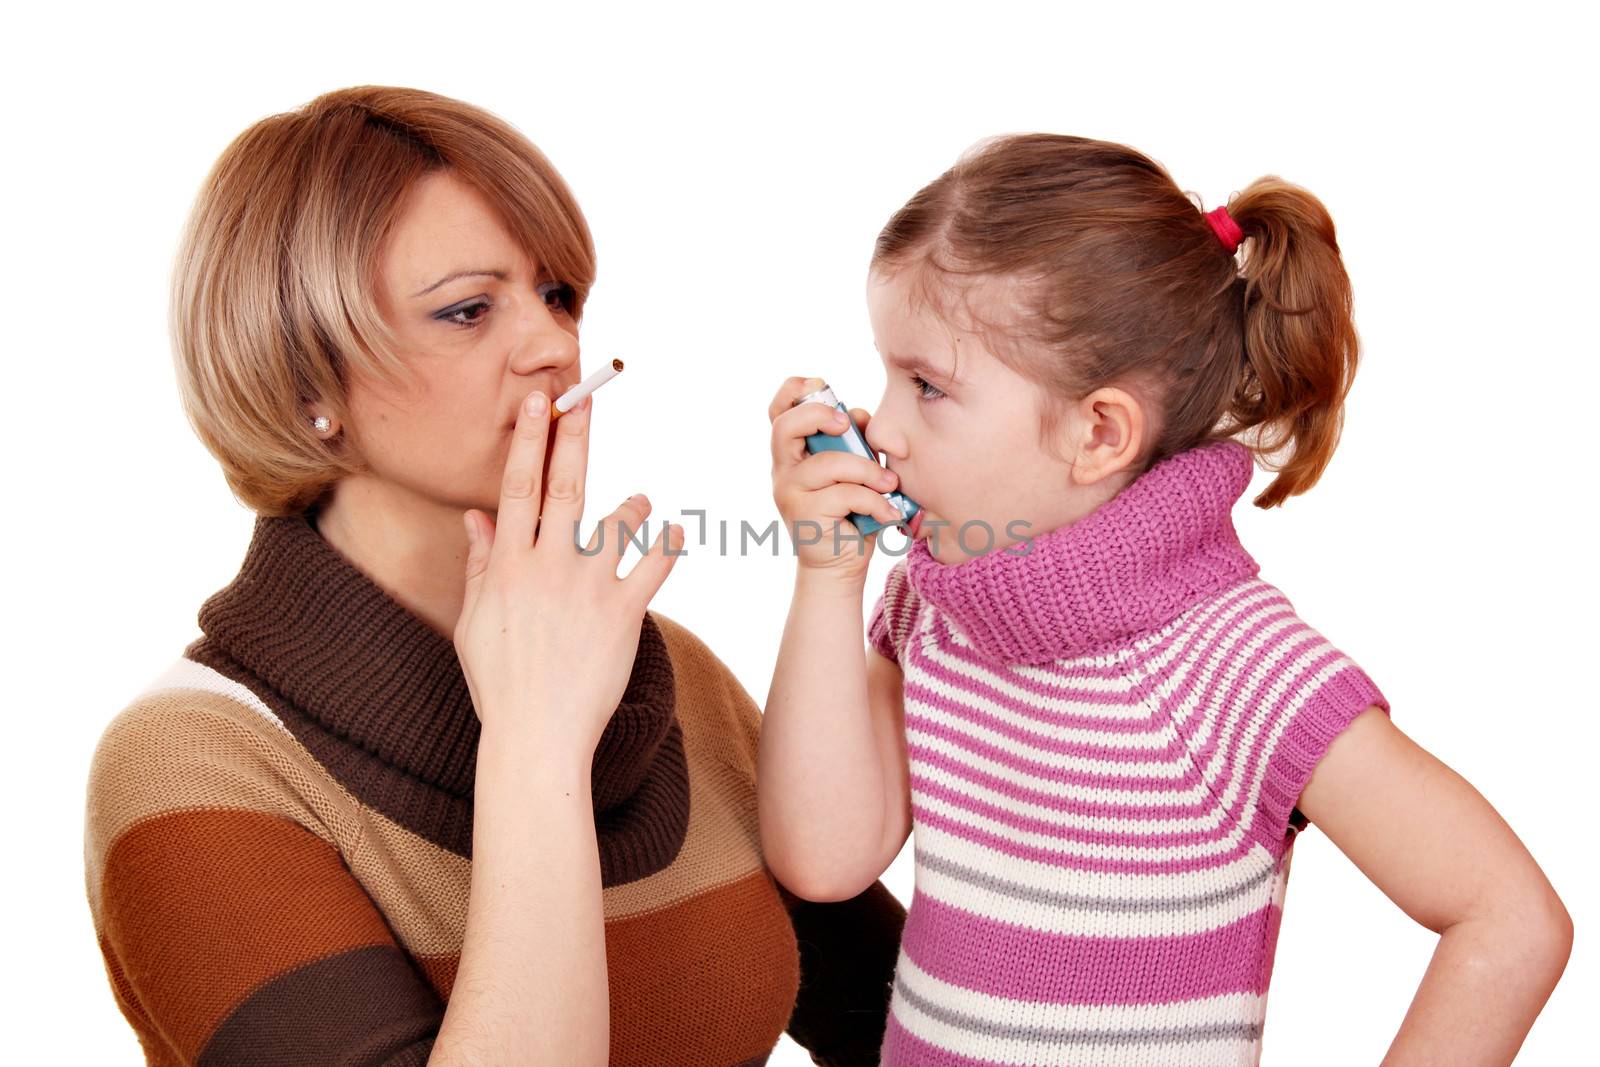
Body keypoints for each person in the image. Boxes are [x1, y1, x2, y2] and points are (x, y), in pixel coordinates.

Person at [83, 85, 904, 1067]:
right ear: (307, 384)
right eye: (468, 309)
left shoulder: (668, 672)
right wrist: (536, 742)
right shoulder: (189, 769)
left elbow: (914, 1024)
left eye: (558, 295)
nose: (556, 347)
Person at [758, 133, 1571, 1065]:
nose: (883, 429)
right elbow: (822, 859)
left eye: (928, 386)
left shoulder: (1238, 666)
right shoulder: (931, 610)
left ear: (1099, 432)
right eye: (886, 375)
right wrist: (828, 577)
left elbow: (1508, 918)